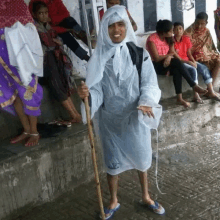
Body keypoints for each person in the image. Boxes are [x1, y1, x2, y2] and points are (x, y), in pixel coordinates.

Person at [78, 5, 165, 219]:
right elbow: (96, 90)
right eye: (110, 26)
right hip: (110, 121)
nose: (116, 30)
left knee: (142, 158)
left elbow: (149, 83)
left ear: (126, 27)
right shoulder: (97, 59)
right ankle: (113, 200)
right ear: (104, 29)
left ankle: (145, 196)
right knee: (112, 163)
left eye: (120, 25)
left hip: (135, 118)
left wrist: (146, 101)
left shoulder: (139, 54)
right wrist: (87, 96)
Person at [0, 0, 44, 146]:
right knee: (12, 92)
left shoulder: (17, 3)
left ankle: (34, 131)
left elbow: (30, 30)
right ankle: (26, 130)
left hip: (18, 56)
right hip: (1, 58)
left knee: (27, 89)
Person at [32, 1, 82, 126]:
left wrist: (57, 42)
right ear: (35, 14)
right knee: (57, 86)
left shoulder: (48, 27)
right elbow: (40, 47)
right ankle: (73, 115)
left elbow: (57, 39)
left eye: (45, 13)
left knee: (62, 85)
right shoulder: (34, 29)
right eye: (40, 13)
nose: (43, 16)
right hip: (45, 63)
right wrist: (55, 43)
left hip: (54, 60)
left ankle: (76, 114)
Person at [146, 19, 207, 108]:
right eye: (171, 31)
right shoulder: (152, 39)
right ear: (163, 32)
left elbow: (171, 52)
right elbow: (156, 58)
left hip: (168, 62)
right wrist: (168, 56)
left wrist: (168, 57)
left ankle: (179, 98)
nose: (172, 32)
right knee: (177, 62)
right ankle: (193, 85)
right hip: (155, 65)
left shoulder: (169, 38)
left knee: (177, 68)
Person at [173, 22, 220, 102]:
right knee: (193, 69)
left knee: (203, 68)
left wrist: (194, 61)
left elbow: (189, 53)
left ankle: (210, 91)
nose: (178, 31)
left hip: (187, 60)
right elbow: (178, 59)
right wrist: (190, 63)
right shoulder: (172, 41)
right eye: (176, 29)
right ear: (173, 31)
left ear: (183, 30)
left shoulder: (186, 38)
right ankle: (196, 94)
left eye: (180, 29)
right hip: (180, 62)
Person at [184, 12, 220, 86]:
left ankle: (210, 88)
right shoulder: (188, 32)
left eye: (202, 23)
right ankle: (210, 90)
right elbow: (187, 50)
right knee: (205, 59)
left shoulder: (207, 31)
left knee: (219, 60)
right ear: (195, 21)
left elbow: (210, 46)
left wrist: (210, 53)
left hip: (206, 54)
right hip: (194, 56)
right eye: (197, 23)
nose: (199, 26)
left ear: (206, 23)